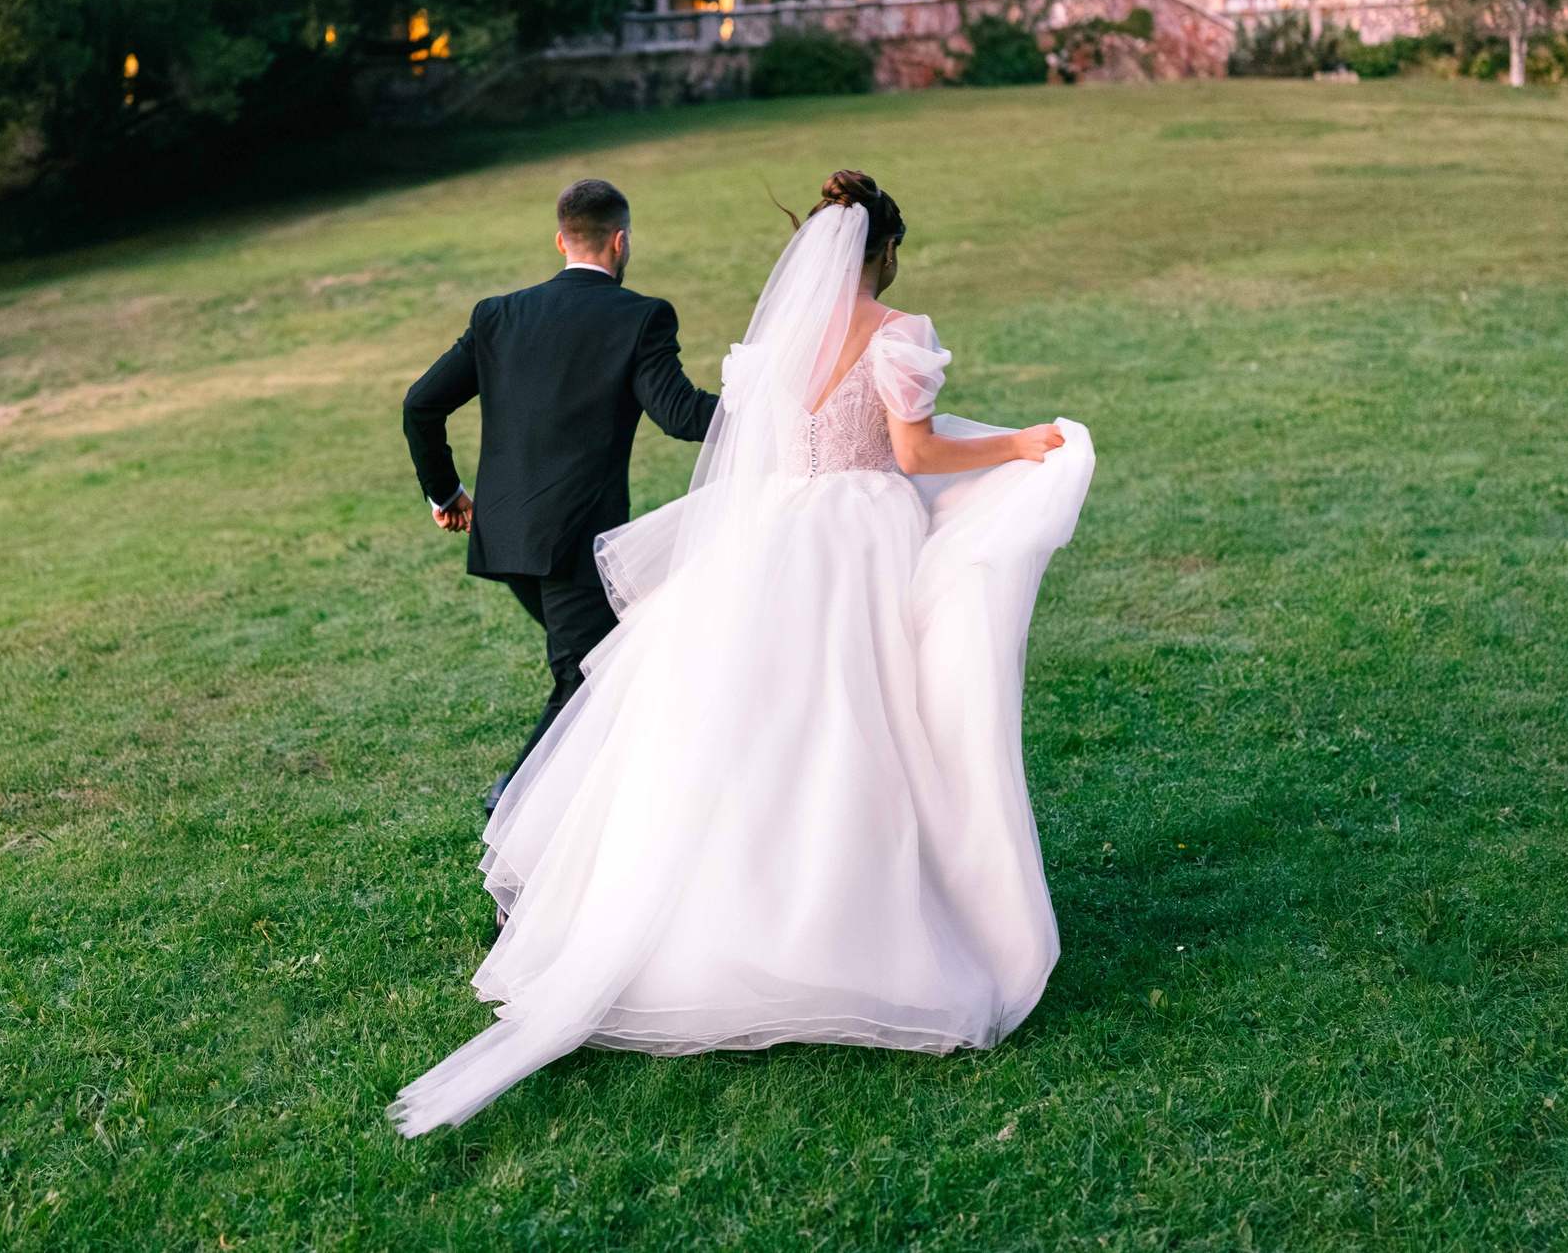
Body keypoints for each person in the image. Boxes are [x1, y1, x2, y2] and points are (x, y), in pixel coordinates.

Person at [390, 170, 1095, 1137]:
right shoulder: (899, 332)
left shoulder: (774, 347)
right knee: (866, 719)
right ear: (882, 254)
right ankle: (849, 926)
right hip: (857, 537)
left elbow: (753, 442)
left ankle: (716, 918)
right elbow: (915, 454)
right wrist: (1020, 444)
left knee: (746, 723)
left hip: (767, 537)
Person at [403, 178, 720, 816]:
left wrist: (447, 492)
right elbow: (683, 415)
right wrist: (778, 406)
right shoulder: (640, 316)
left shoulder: (498, 314)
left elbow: (420, 404)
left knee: (616, 664)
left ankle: (624, 813)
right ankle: (512, 811)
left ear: (561, 240)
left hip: (503, 536)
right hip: (574, 545)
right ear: (621, 241)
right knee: (586, 680)